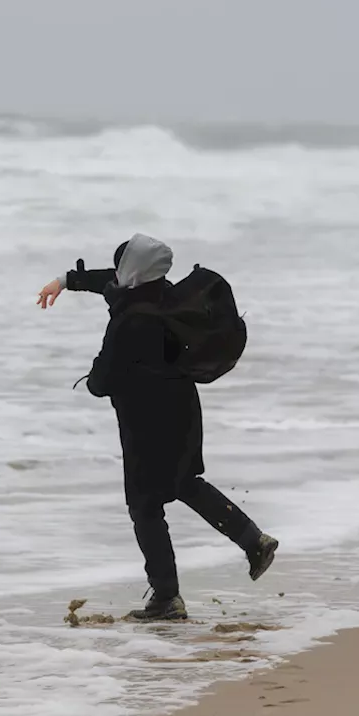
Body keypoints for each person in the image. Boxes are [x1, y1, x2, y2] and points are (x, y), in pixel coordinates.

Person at [37, 233, 278, 620]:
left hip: (146, 423)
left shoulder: (131, 320)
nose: (115, 274)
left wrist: (94, 382)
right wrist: (66, 281)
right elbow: (108, 281)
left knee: (145, 507)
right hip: (183, 411)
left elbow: (104, 378)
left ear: (132, 272)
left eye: (121, 267)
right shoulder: (163, 296)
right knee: (184, 483)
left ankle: (167, 597)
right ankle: (254, 541)